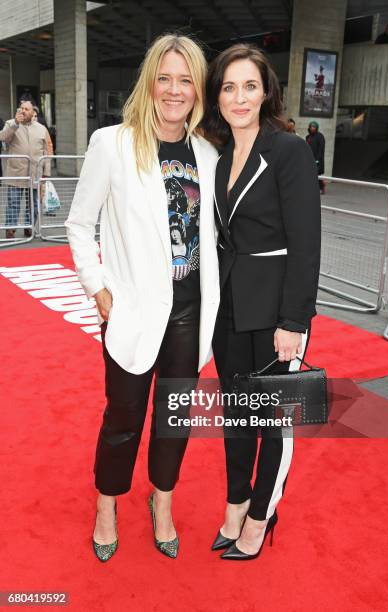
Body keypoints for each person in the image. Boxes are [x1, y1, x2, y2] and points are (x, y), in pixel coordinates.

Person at [65, 33, 220, 562]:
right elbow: (80, 223)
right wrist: (98, 288)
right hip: (131, 309)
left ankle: (163, 502)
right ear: (149, 82)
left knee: (175, 418)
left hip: (191, 310)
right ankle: (107, 505)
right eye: (165, 78)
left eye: (186, 80)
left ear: (198, 89)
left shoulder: (207, 152)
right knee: (123, 416)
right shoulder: (112, 142)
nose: (175, 90)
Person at [203, 43, 321, 560]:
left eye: (249, 85)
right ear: (218, 97)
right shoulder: (221, 154)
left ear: (266, 90)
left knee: (272, 422)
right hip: (230, 306)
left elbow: (306, 240)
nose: (239, 96)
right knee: (237, 415)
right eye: (229, 87)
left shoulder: (289, 150)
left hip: (276, 310)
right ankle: (235, 502)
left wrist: (293, 320)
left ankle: (259, 518)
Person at [0, 100, 50, 238]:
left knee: (33, 205)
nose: (23, 111)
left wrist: (46, 173)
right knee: (13, 204)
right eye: (21, 108)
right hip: (16, 173)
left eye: (26, 109)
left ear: (33, 112)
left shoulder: (41, 129)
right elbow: (2, 137)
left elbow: (46, 151)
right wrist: (16, 124)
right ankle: (11, 229)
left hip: (35, 174)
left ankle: (29, 227)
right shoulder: (11, 124)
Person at [306, 120, 326, 194]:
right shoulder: (308, 137)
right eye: (311, 126)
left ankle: (321, 187)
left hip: (317, 159)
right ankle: (311, 187)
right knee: (310, 173)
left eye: (314, 126)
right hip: (309, 158)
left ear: (317, 128)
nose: (312, 128)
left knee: (317, 174)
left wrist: (317, 159)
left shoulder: (320, 136)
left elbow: (321, 149)